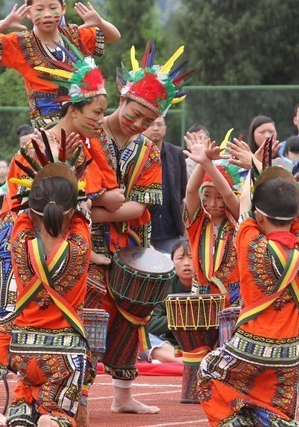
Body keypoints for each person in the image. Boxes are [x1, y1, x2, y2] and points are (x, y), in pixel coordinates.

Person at [0, 55, 120, 425]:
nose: (100, 120)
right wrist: (83, 202)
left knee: (50, 316)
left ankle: (50, 400)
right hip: (19, 237)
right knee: (8, 315)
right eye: (96, 112)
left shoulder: (90, 145)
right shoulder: (37, 147)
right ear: (73, 107)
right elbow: (23, 200)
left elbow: (113, 195)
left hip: (56, 233)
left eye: (103, 113)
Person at [91, 42, 191, 415]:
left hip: (129, 243)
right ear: (123, 97)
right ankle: (75, 392)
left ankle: (123, 395)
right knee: (89, 314)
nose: (138, 124)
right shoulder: (89, 134)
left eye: (148, 121)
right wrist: (108, 206)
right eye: (135, 115)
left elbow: (142, 204)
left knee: (130, 317)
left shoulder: (147, 151)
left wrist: (98, 211)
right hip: (86, 245)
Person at [198, 156, 299, 426]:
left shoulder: (249, 240)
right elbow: (297, 219)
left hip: (250, 346)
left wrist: (253, 169)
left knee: (209, 372)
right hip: (291, 350)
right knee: (279, 403)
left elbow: (245, 207)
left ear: (260, 216)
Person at [6, 160, 91, 427]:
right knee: (60, 415)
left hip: (22, 348)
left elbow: (20, 212)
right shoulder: (80, 243)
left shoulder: (20, 241)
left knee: (24, 404)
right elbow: (82, 216)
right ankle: (53, 420)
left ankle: (21, 416)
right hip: (63, 354)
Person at [0, 0, 121, 128]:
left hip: (81, 114)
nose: (47, 14)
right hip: (46, 122)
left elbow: (114, 36)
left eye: (53, 8)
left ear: (63, 9)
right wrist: (4, 24)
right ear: (29, 13)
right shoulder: (20, 42)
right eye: (40, 9)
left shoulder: (74, 36)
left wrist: (100, 22)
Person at [181, 133, 239, 305]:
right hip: (202, 299)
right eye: (207, 195)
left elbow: (228, 194)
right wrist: (203, 161)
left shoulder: (237, 220)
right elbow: (191, 191)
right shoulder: (198, 223)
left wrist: (208, 163)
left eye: (218, 197)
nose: (213, 203)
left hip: (232, 298)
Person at [145, 115, 188, 254]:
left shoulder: (177, 153)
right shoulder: (136, 152)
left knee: (172, 268)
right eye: (151, 124)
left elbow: (182, 188)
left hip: (170, 228)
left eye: (159, 124)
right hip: (143, 227)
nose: (156, 128)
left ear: (165, 129)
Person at [145, 240, 193, 363]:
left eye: (191, 258)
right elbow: (151, 323)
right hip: (169, 344)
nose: (186, 263)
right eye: (180, 258)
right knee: (140, 335)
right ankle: (176, 359)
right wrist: (181, 320)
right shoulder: (164, 285)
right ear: (172, 262)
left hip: (203, 344)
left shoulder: (209, 284)